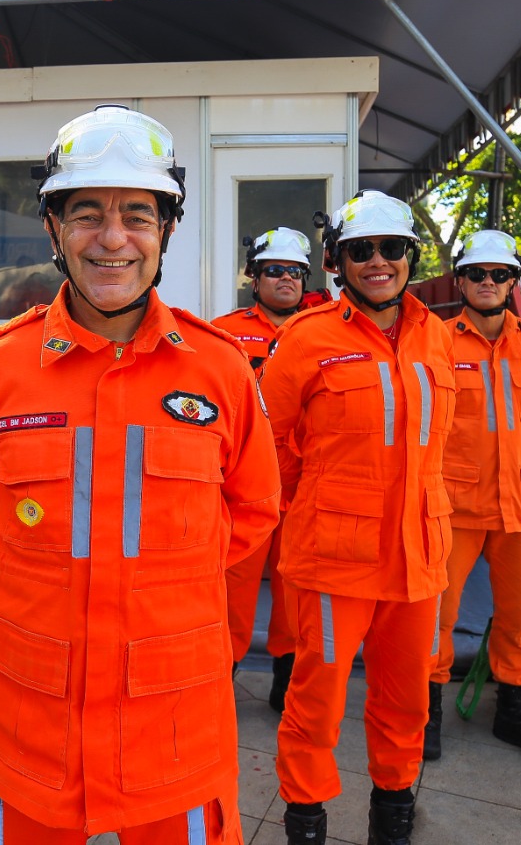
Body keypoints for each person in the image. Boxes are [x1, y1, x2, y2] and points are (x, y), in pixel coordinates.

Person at [0, 104, 280, 844]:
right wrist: (49, 573)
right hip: (30, 723)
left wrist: (165, 581)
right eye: (87, 213)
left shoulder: (220, 369)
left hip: (174, 723)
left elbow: (254, 509)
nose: (113, 238)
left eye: (138, 216)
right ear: (53, 230)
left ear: (168, 233)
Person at [257, 191, 455, 845]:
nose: (378, 261)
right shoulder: (307, 339)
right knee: (315, 706)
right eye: (360, 251)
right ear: (338, 263)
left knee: (406, 703)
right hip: (334, 558)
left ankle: (392, 820)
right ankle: (306, 822)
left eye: (391, 248)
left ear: (410, 256)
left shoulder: (439, 338)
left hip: (419, 558)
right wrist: (315, 508)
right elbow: (270, 449)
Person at [424, 230, 521, 768]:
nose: (488, 283)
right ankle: (426, 716)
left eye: (499, 275)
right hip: (454, 506)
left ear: (513, 281)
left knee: (519, 619)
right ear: (460, 279)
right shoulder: (434, 341)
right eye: (478, 274)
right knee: (435, 618)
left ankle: (516, 714)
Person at [209, 226, 327, 711]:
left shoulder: (326, 332)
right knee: (231, 592)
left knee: (295, 593)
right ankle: (218, 684)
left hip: (302, 486)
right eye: (273, 271)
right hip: (240, 485)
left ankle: (287, 686)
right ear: (253, 278)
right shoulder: (221, 333)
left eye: (295, 272)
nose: (285, 280)